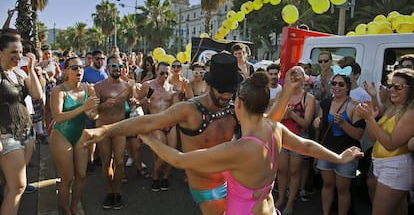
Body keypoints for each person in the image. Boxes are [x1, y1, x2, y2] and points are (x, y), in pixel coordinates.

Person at [82, 69, 363, 215]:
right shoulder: (273, 128)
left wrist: (146, 139)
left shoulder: (237, 149)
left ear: (238, 103)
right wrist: (338, 157)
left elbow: (179, 160)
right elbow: (305, 145)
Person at [355, 68, 414, 215]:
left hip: (396, 167)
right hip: (382, 165)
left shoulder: (410, 113)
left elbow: (390, 144)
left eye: (398, 87)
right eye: (390, 85)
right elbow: (373, 138)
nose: (392, 90)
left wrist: (369, 118)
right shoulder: (392, 108)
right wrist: (371, 119)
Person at [49, 56, 99, 215]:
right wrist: (83, 107)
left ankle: (74, 206)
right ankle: (65, 209)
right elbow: (58, 117)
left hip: (80, 134)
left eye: (81, 67)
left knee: (82, 176)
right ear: (66, 71)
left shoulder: (88, 88)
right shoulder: (59, 91)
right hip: (61, 135)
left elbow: (94, 116)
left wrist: (93, 109)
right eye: (74, 68)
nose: (79, 70)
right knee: (67, 178)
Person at [0, 34, 43, 215]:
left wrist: (31, 69)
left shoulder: (19, 72)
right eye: (13, 52)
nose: (18, 56)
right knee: (19, 186)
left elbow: (37, 94)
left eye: (20, 52)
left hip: (26, 132)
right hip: (6, 135)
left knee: (11, 185)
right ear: (0, 53)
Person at [313, 73, 366, 215]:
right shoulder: (325, 103)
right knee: (328, 185)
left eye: (341, 84)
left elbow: (358, 134)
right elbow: (318, 122)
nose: (336, 87)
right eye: (334, 83)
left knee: (343, 189)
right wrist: (316, 123)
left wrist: (343, 124)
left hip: (347, 152)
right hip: (326, 151)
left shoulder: (355, 106)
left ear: (348, 87)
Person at [94, 55, 134, 210]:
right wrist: (103, 105)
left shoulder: (127, 86)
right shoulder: (99, 87)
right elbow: (93, 110)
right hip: (103, 127)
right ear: (108, 68)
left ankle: (117, 192)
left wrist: (134, 103)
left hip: (119, 127)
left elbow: (131, 104)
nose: (117, 69)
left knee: (119, 161)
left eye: (120, 66)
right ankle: (109, 192)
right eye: (114, 66)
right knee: (106, 161)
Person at [276, 67, 316, 215]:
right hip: (282, 136)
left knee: (294, 172)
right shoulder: (282, 94)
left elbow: (306, 124)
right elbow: (274, 118)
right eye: (291, 75)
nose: (294, 78)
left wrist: (291, 114)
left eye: (298, 75)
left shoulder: (308, 98)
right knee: (281, 170)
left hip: (298, 138)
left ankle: (291, 202)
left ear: (304, 78)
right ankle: (280, 198)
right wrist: (282, 115)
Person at [138, 61, 177, 191]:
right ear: (156, 72)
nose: (165, 75)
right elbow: (137, 103)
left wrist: (178, 94)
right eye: (162, 73)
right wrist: (142, 102)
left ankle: (165, 176)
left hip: (170, 123)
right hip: (155, 123)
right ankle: (155, 176)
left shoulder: (172, 89)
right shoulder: (148, 86)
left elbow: (176, 108)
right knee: (161, 153)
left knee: (171, 152)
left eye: (167, 73)